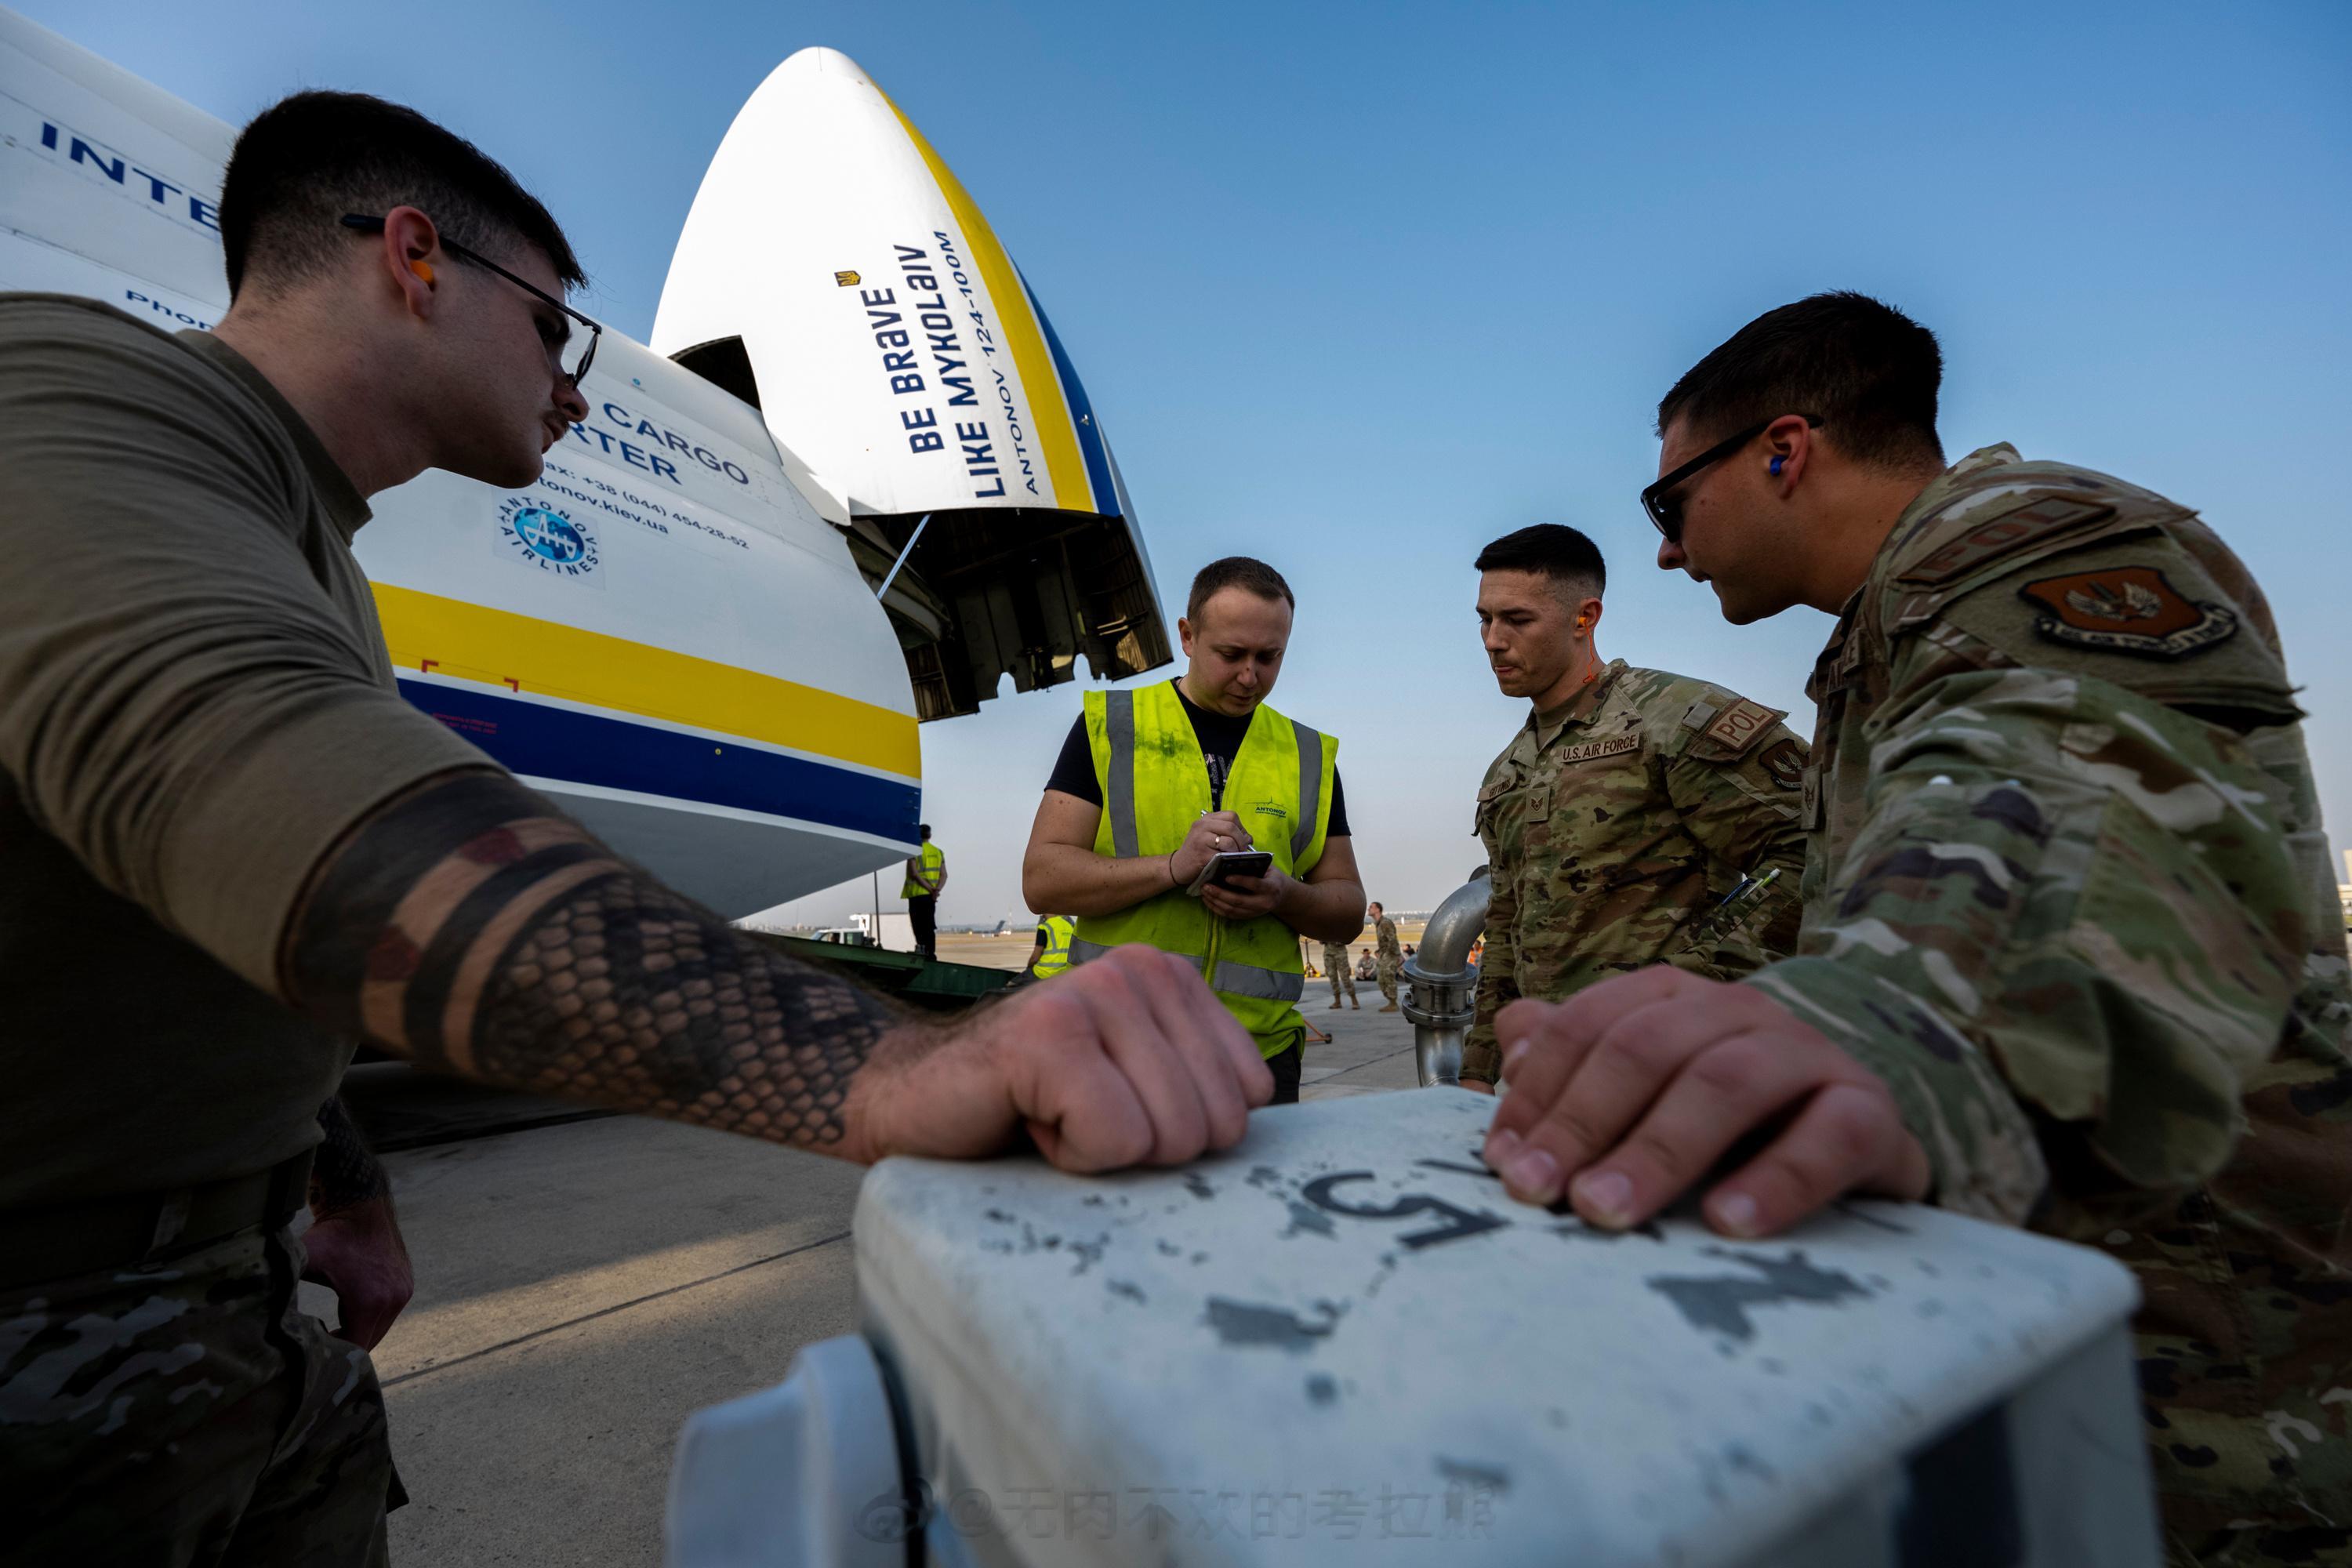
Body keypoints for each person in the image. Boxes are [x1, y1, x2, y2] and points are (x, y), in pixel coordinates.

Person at [0, 93, 1271, 1568]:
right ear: (414, 261)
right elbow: (257, 788)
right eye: (555, 331)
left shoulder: (313, 544)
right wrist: (887, 1067)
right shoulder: (65, 390)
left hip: (232, 1308)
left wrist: (329, 1177)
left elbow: (201, 925)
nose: (578, 389)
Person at [1483, 292, 2351, 1563]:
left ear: (1784, 452)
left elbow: (2072, 762)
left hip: (2220, 1368)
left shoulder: (2026, 538)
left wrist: (1884, 1024)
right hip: (2070, 1325)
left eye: (1671, 507)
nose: (1667, 554)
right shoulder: (1883, 633)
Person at [1460, 524, 1809, 1094]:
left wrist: (1683, 990)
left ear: (1585, 616)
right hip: (1551, 1074)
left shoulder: (1674, 719)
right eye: (1484, 619)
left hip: (1683, 1070)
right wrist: (1480, 1071)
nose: (1492, 640)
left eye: (1516, 620)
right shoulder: (1508, 772)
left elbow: (1814, 851)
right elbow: (1505, 926)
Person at [1022, 557, 1367, 1104]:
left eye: (1269, 657)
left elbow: (1348, 911)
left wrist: (1283, 893)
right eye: (1231, 654)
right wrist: (1170, 868)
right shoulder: (1113, 727)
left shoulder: (1308, 756)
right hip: (1118, 1054)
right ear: (1187, 635)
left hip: (1257, 1059)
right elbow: (1042, 879)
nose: (1250, 676)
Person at [902, 823, 946, 959]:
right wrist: (936, 891)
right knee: (929, 926)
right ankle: (931, 954)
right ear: (930, 836)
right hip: (930, 897)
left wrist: (929, 889)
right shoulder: (938, 852)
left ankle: (923, 951)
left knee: (918, 927)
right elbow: (944, 875)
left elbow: (914, 873)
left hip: (917, 895)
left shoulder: (914, 851)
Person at [1369, 902, 1403, 1011]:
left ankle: (1393, 1003)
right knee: (1381, 979)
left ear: (1378, 910)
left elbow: (1392, 939)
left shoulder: (1385, 923)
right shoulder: (1378, 923)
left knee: (1388, 977)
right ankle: (1391, 1001)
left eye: (1371, 907)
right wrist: (1379, 951)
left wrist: (1397, 956)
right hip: (1384, 954)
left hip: (1390, 954)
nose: (1368, 909)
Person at [1028, 913, 1075, 981]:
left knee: (1013, 985)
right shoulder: (1069, 926)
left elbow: (1034, 958)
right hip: (1065, 973)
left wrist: (1029, 968)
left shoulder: (1045, 927)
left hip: (1045, 973)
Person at [1322, 938, 1360, 1010]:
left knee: (1345, 977)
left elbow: (1348, 937)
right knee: (1332, 977)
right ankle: (1337, 1001)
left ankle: (1354, 999)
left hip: (1340, 952)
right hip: (1328, 953)